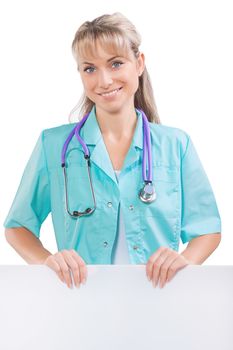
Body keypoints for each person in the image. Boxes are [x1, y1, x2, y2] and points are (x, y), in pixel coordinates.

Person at [3, 12, 221, 290]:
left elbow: (207, 229)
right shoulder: (54, 145)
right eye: (89, 69)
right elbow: (18, 226)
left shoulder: (176, 145)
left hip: (159, 302)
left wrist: (184, 261)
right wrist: (48, 261)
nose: (104, 81)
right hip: (80, 302)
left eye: (116, 64)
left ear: (139, 63)